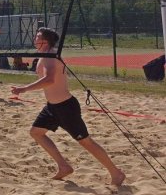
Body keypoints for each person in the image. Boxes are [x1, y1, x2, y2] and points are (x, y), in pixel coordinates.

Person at [10, 28, 125, 186]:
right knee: (36, 133)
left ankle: (116, 173)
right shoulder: (46, 55)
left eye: (37, 37)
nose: (34, 39)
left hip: (66, 107)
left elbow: (49, 79)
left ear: (45, 41)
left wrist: (24, 89)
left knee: (86, 142)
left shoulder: (51, 56)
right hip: (52, 107)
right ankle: (63, 166)